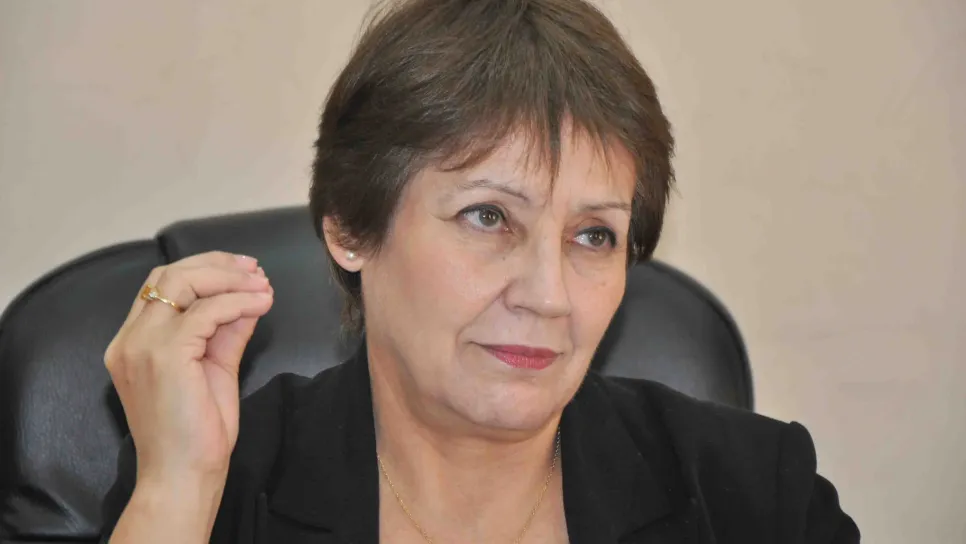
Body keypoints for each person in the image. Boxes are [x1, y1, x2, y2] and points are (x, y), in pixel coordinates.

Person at [99, 0, 860, 542]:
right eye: (488, 217)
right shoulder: (218, 487)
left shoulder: (760, 494)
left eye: (593, 235)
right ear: (351, 228)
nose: (549, 296)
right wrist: (176, 491)